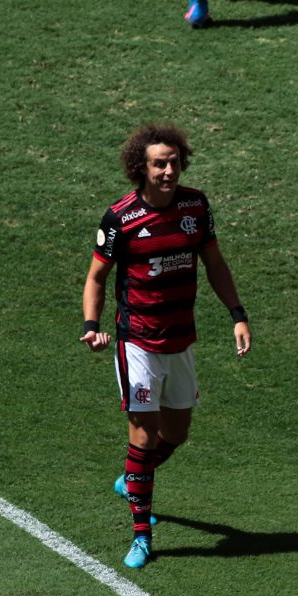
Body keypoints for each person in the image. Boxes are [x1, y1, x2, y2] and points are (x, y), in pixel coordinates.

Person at [80, 123, 251, 569]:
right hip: (137, 342)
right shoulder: (121, 218)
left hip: (180, 341)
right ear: (142, 167)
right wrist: (92, 325)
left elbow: (214, 261)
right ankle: (142, 536)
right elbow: (97, 277)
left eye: (174, 162)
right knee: (141, 435)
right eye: (160, 163)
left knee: (175, 435)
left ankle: (133, 480)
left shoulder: (196, 205)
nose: (169, 170)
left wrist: (237, 314)